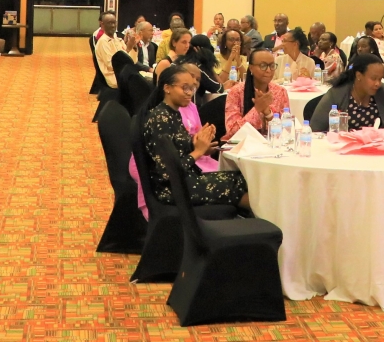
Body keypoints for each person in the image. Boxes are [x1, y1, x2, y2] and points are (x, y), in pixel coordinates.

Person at [141, 65, 250, 209]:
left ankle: (256, 219)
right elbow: (167, 173)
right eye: (185, 88)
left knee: (241, 178)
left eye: (192, 88)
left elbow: (177, 149)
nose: (190, 93)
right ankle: (259, 221)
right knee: (235, 185)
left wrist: (198, 145)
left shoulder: (172, 113)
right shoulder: (160, 119)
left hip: (185, 180)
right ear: (167, 88)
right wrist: (198, 152)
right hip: (172, 189)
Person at [310, 53, 384, 131]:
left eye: (380, 79)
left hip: (376, 143)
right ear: (359, 75)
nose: (377, 84)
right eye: (373, 78)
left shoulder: (383, 91)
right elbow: (316, 128)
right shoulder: (337, 93)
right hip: (342, 143)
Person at [223, 48, 290, 139]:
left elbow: (287, 132)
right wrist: (257, 109)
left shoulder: (280, 91)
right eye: (263, 66)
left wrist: (268, 113)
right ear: (251, 68)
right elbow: (232, 133)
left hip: (272, 143)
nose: (268, 70)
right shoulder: (236, 92)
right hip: (243, 145)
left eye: (272, 66)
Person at [94, 12, 138, 91]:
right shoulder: (103, 42)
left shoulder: (117, 39)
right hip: (115, 78)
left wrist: (133, 46)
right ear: (102, 24)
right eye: (109, 23)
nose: (113, 25)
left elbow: (133, 61)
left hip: (126, 73)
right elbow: (112, 65)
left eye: (114, 23)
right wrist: (128, 49)